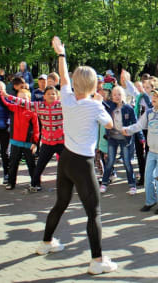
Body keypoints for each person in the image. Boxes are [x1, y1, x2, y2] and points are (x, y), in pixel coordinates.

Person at [36, 37, 117, 275]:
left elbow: (62, 77)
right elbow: (110, 125)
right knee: (94, 213)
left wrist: (61, 53)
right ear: (94, 85)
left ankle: (46, 243)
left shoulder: (67, 98)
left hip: (66, 160)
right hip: (83, 163)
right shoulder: (94, 105)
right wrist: (100, 102)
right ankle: (97, 260)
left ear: (75, 83)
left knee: (61, 204)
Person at [1, 85, 64, 192]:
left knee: (68, 164)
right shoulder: (39, 106)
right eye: (48, 94)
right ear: (44, 96)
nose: (51, 95)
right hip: (46, 143)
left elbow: (75, 105)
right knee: (39, 165)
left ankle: (70, 184)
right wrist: (7, 96)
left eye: (53, 93)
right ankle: (34, 184)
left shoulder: (62, 106)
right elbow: (23, 103)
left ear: (58, 96)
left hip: (61, 142)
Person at [0, 88, 39, 190]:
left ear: (29, 100)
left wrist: (35, 142)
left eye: (24, 98)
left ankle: (35, 183)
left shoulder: (32, 112)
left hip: (28, 144)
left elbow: (36, 128)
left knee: (31, 164)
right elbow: (4, 103)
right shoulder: (14, 108)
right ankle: (11, 183)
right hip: (15, 142)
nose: (21, 101)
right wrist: (1, 93)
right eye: (19, 98)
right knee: (13, 164)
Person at [99, 86, 137, 195]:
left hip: (125, 139)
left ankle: (132, 184)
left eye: (119, 94)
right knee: (110, 161)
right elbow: (100, 104)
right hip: (112, 138)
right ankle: (104, 183)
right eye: (114, 94)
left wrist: (139, 137)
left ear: (123, 96)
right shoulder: (109, 106)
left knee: (127, 162)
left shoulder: (128, 108)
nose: (116, 96)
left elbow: (134, 123)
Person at [0, 81, 11, 184]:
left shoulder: (7, 99)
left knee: (4, 153)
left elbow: (11, 110)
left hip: (4, 130)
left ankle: (6, 174)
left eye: (0, 88)